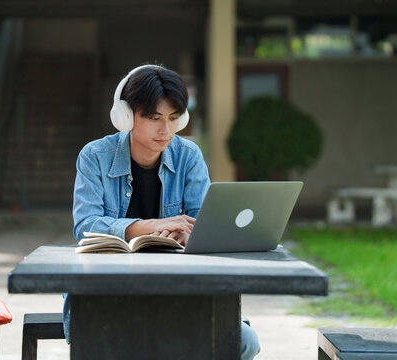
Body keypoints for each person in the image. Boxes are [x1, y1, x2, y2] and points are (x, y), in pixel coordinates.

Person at [63, 64, 260, 359]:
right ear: (125, 117)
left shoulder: (188, 155)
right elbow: (85, 226)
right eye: (154, 118)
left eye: (173, 118)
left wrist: (187, 234)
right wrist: (152, 226)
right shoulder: (95, 156)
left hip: (176, 288)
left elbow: (204, 225)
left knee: (246, 342)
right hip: (106, 293)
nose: (165, 129)